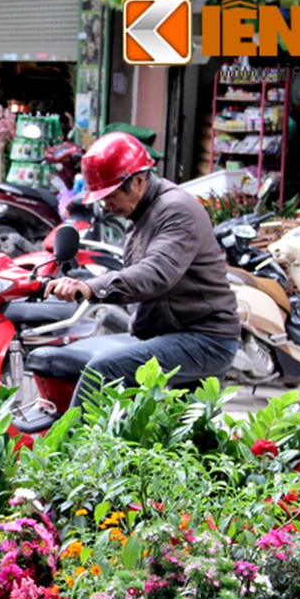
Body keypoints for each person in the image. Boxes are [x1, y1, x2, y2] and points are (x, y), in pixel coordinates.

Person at [45, 132, 240, 403]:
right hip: (175, 334)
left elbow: (155, 274)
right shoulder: (141, 212)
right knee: (171, 436)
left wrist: (91, 288)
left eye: (110, 196)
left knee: (102, 371)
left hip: (204, 339)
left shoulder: (175, 211)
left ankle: (66, 446)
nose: (106, 205)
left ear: (138, 181)